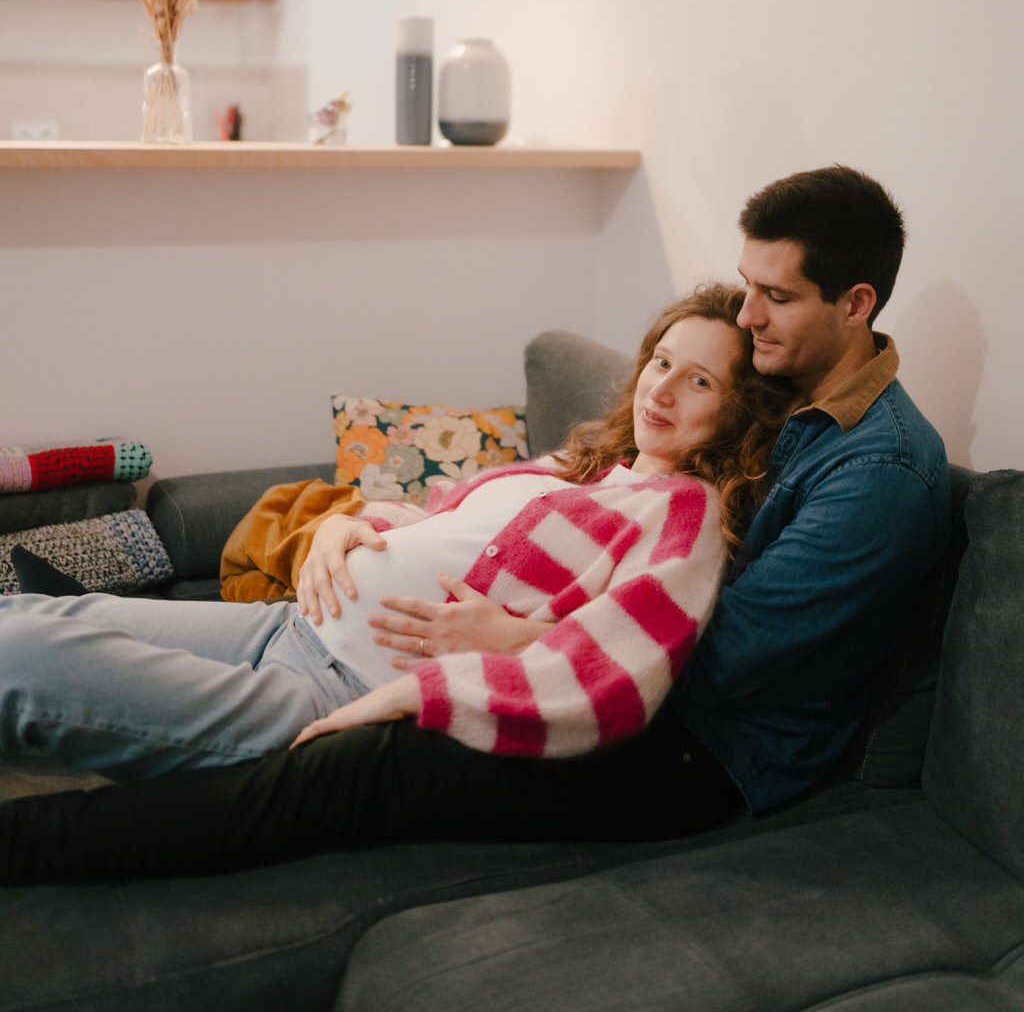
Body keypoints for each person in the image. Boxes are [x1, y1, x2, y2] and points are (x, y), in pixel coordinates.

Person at [0, 164, 951, 883]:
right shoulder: (731, 403)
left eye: (774, 299)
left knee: (354, 772)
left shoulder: (877, 472)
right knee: (33, 634)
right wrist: (346, 524)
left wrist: (512, 649)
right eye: (745, 289)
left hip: (701, 743)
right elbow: (478, 510)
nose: (748, 317)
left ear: (856, 304)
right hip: (314, 630)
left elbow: (716, 653)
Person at [0, 284, 790, 794]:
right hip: (287, 624)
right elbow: (438, 514)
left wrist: (467, 665)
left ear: (735, 411)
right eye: (661, 361)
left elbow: (616, 678)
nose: (662, 388)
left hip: (343, 688)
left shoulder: (680, 512)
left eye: (700, 381)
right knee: (22, 621)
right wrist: (346, 525)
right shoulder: (585, 464)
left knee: (25, 663)